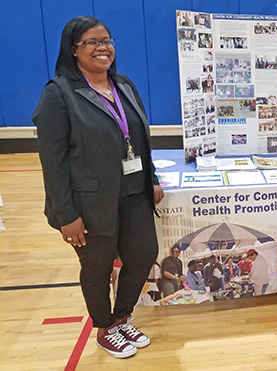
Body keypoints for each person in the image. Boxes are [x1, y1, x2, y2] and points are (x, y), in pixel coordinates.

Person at [32, 16, 164, 359]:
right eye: (91, 42)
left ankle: (122, 316)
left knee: (143, 254)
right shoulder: (58, 94)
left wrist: (151, 179)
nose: (101, 47)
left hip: (134, 192)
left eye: (106, 40)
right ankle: (106, 327)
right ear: (74, 50)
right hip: (89, 202)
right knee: (97, 267)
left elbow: (140, 139)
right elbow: (53, 162)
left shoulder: (124, 85)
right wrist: (67, 215)